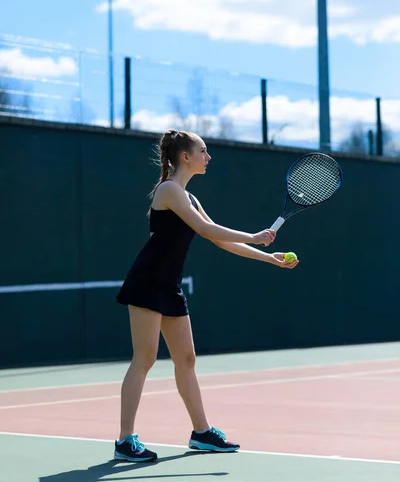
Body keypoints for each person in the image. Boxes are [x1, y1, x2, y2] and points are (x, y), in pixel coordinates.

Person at [114, 129, 299, 462]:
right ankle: (125, 439)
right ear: (186, 157)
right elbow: (205, 230)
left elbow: (220, 240)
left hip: (169, 284)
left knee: (186, 360)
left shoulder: (191, 198)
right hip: (146, 281)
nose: (208, 157)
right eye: (203, 151)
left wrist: (267, 256)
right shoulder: (169, 190)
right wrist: (256, 236)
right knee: (145, 359)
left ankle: (201, 433)